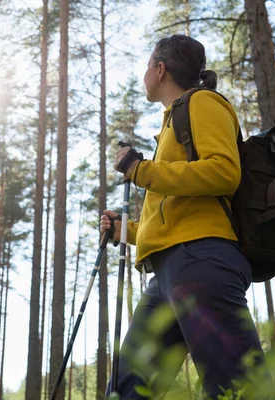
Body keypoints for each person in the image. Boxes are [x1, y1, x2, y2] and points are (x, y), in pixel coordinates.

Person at [100, 34, 264, 399]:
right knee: (128, 387)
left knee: (236, 383)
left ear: (160, 70)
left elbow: (224, 171)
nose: (145, 73)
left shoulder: (203, 102)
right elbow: (169, 215)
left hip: (203, 256)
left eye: (147, 66)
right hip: (168, 272)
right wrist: (122, 231)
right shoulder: (172, 121)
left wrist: (141, 170)